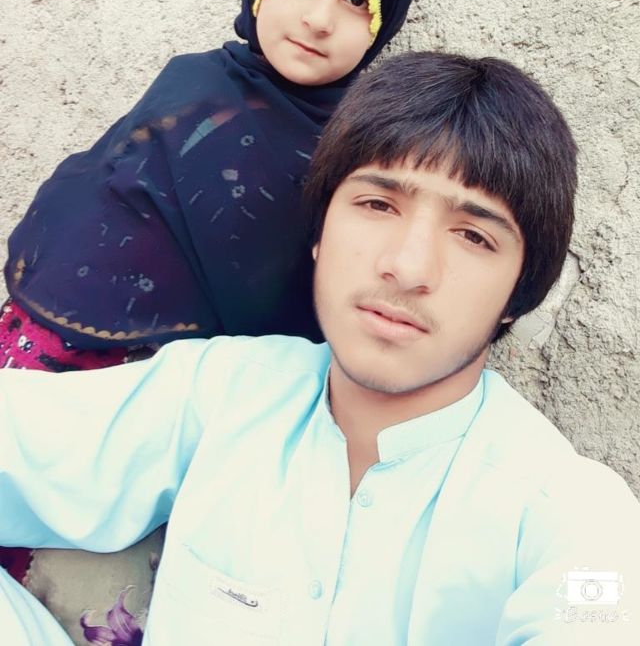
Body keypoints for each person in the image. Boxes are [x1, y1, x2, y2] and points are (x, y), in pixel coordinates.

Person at [1, 51, 638, 645]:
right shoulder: (222, 393)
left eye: (473, 236)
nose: (407, 266)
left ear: (520, 293)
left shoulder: (572, 516)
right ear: (318, 234)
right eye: (377, 203)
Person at [0, 0, 425, 375]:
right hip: (66, 366)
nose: (319, 19)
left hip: (217, 397)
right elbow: (89, 222)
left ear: (385, 20)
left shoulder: (359, 152)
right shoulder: (190, 91)